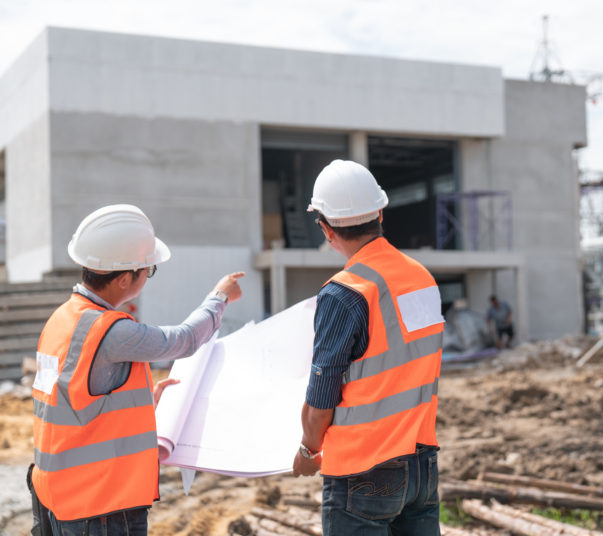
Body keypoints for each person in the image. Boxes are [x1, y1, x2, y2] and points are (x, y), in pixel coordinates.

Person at [28, 204, 244, 536]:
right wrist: (220, 297)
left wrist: (142, 403)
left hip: (59, 498)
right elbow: (183, 340)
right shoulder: (111, 331)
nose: (148, 276)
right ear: (125, 278)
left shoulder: (62, 319)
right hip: (101, 506)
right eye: (149, 270)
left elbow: (74, 401)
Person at [292, 160, 445, 535]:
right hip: (420, 463)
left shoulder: (345, 292)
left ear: (327, 230)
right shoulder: (421, 278)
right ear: (380, 211)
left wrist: (309, 451)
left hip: (363, 470)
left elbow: (322, 396)